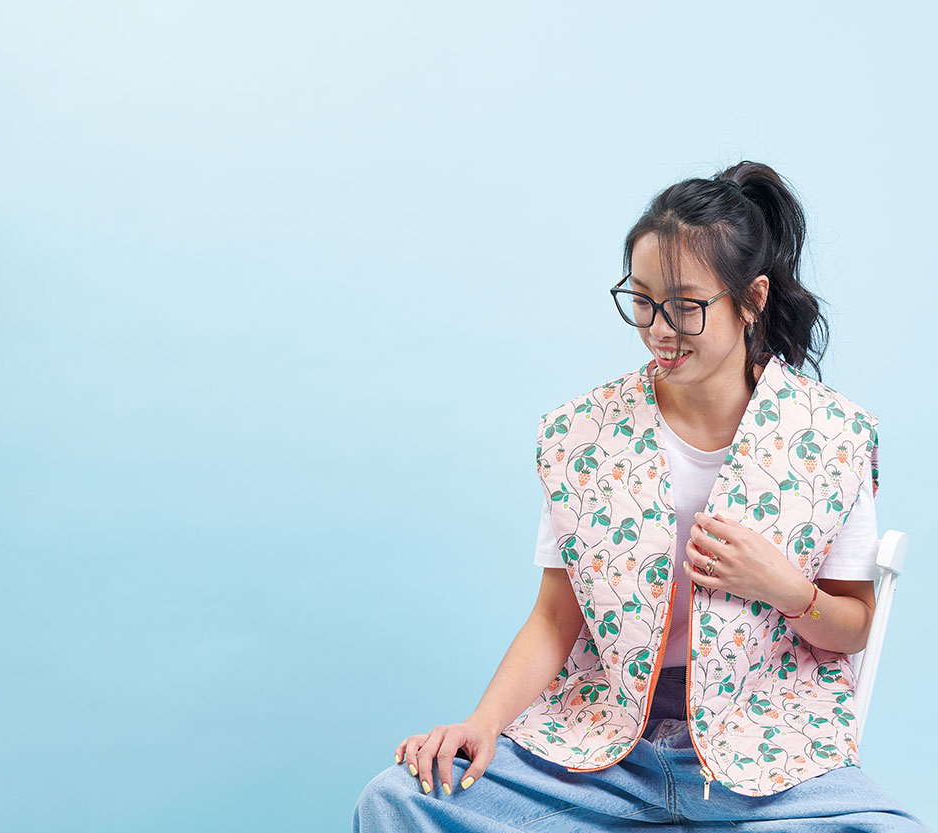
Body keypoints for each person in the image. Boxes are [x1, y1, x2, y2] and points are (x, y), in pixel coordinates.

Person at [352, 161, 931, 831]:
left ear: (752, 298)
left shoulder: (832, 437)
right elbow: (553, 618)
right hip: (599, 744)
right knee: (396, 798)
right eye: (642, 299)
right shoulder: (584, 434)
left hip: (767, 747)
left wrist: (785, 588)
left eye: (686, 305)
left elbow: (852, 626)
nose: (659, 327)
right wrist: (482, 722)